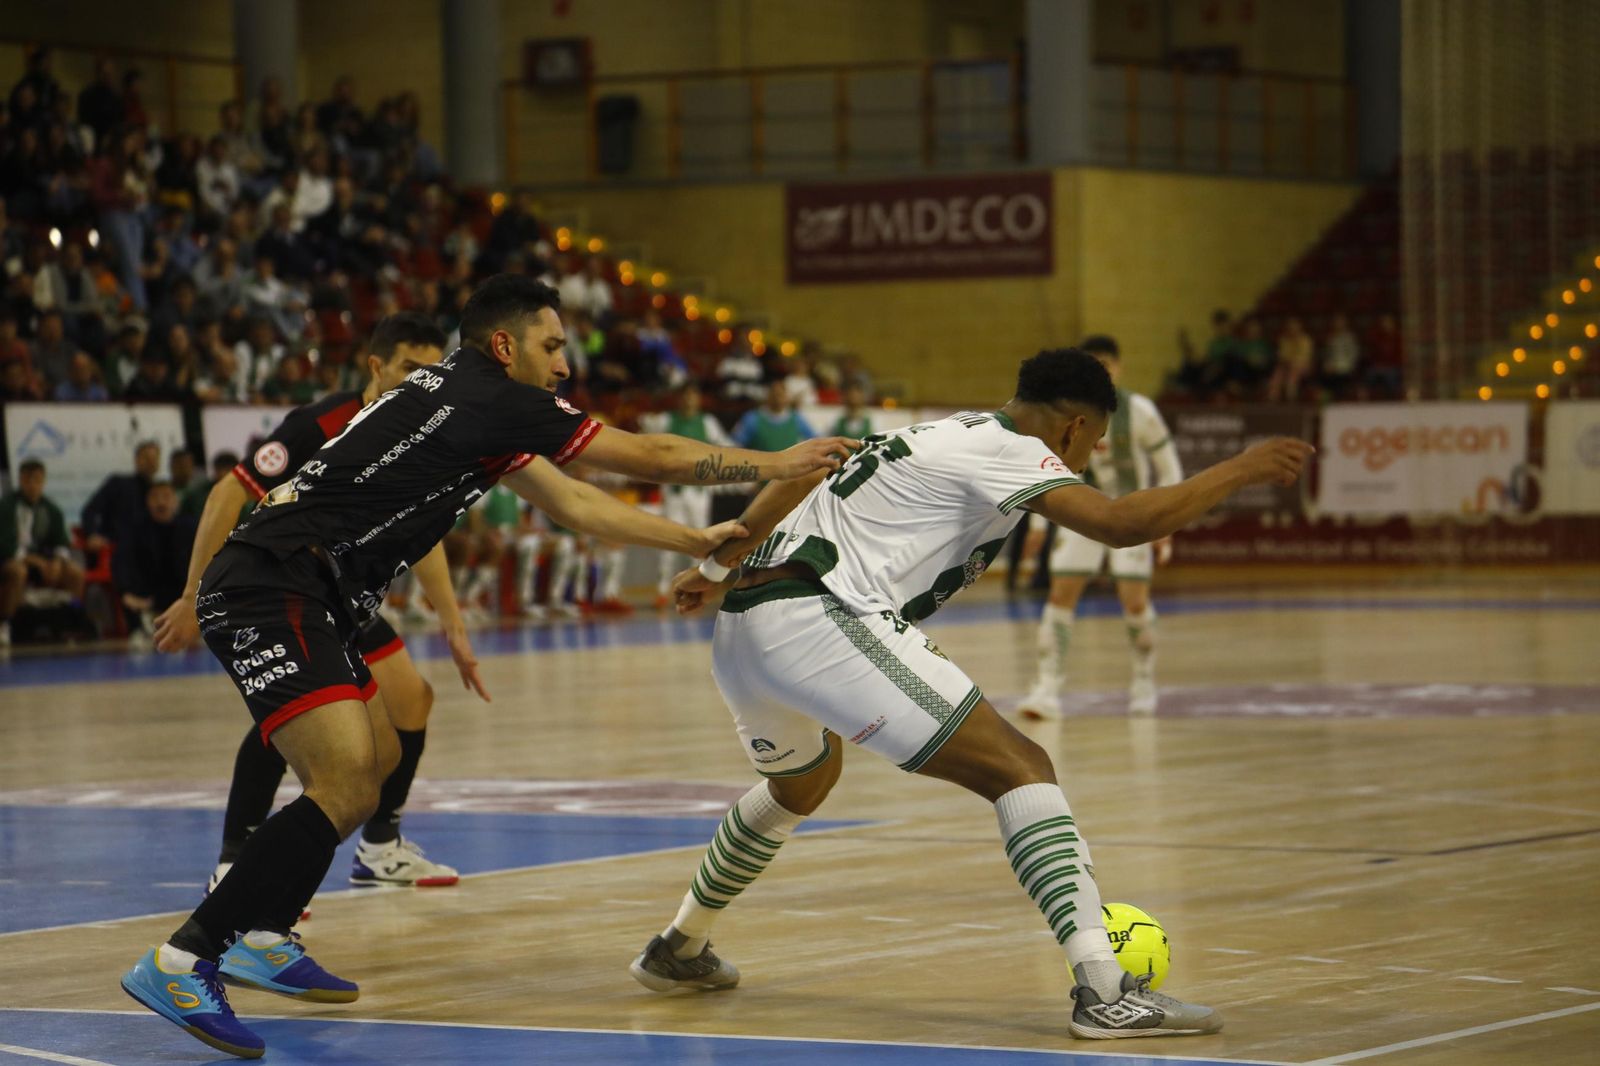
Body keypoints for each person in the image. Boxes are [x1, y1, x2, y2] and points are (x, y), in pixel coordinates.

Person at [121, 275, 856, 1059]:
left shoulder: (471, 405)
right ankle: (184, 959)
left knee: (382, 754)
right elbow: (650, 454)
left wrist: (693, 543)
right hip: (274, 582)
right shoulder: (497, 398)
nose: (564, 364)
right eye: (552, 346)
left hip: (318, 590)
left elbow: (575, 505)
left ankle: (259, 930)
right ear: (505, 346)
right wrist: (774, 464)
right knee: (342, 782)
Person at [637, 348, 1310, 1041]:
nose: (1082, 462)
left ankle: (680, 946)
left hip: (746, 624)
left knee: (800, 787)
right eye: (1091, 446)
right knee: (1023, 769)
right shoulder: (1015, 449)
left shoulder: (941, 430)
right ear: (1072, 427)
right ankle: (1106, 993)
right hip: (821, 616)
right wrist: (1243, 466)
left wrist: (717, 563)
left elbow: (810, 470)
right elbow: (1123, 525)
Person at [155, 313, 475, 902]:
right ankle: (235, 861)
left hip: (345, 596)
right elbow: (232, 490)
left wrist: (453, 624)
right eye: (410, 368)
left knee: (412, 701)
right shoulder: (321, 422)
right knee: (289, 722)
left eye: (433, 371)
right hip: (282, 588)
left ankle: (380, 848)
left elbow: (420, 530)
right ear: (375, 366)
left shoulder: (423, 429)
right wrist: (190, 594)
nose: (422, 382)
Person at [1016, 336, 1182, 718]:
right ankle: (1048, 687)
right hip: (1081, 512)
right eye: (1094, 362)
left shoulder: (1139, 409)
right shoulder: (1064, 411)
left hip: (1129, 515)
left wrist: (1165, 521)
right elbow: (1044, 467)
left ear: (1119, 366)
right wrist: (1039, 530)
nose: (1103, 368)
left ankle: (1143, 678)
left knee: (1134, 602)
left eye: (1107, 362)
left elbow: (1168, 465)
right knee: (1059, 597)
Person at [639, 385, 735, 607]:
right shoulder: (665, 420)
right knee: (669, 540)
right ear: (679, 398)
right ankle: (662, 591)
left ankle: (696, 589)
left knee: (700, 542)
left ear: (699, 399)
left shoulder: (708, 422)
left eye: (694, 395)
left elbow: (727, 446)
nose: (690, 400)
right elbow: (644, 435)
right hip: (673, 491)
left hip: (699, 493)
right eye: (686, 395)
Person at [1, 459, 84, 647]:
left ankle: (68, 623)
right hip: (12, 560)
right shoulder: (6, 506)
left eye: (37, 480)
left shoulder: (51, 509)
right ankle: (6, 624)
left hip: (44, 562)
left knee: (75, 573)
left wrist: (57, 562)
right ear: (20, 481)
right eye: (28, 480)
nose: (32, 485)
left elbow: (61, 543)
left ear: (43, 481)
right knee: (18, 572)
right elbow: (5, 544)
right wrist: (33, 561)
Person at [114, 479, 196, 642]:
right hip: (146, 596)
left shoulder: (191, 528)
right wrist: (126, 593)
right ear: (147, 502)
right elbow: (121, 563)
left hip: (184, 597)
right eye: (155, 497)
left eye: (166, 497)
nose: (160, 502)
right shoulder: (134, 530)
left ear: (175, 501)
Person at [81, 439, 161, 551]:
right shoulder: (118, 484)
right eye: (146, 458)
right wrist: (93, 535)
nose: (151, 462)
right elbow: (90, 511)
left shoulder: (162, 493)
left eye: (155, 459)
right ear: (136, 460)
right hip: (116, 548)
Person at [732, 380, 816, 452]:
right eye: (774, 394)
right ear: (768, 396)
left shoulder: (797, 419)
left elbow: (815, 440)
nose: (777, 398)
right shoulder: (752, 418)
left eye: (781, 394)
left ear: (787, 397)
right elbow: (736, 445)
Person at [1266, 316, 1312, 402]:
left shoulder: (1305, 339)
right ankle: (1272, 400)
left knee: (1293, 374)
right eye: (1290, 326)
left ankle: (1291, 399)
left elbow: (1304, 357)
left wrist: (1293, 362)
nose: (1292, 328)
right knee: (1277, 374)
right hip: (1286, 365)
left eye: (1294, 325)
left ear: (1300, 326)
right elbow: (1281, 356)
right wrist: (1289, 362)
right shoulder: (1284, 340)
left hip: (1302, 366)